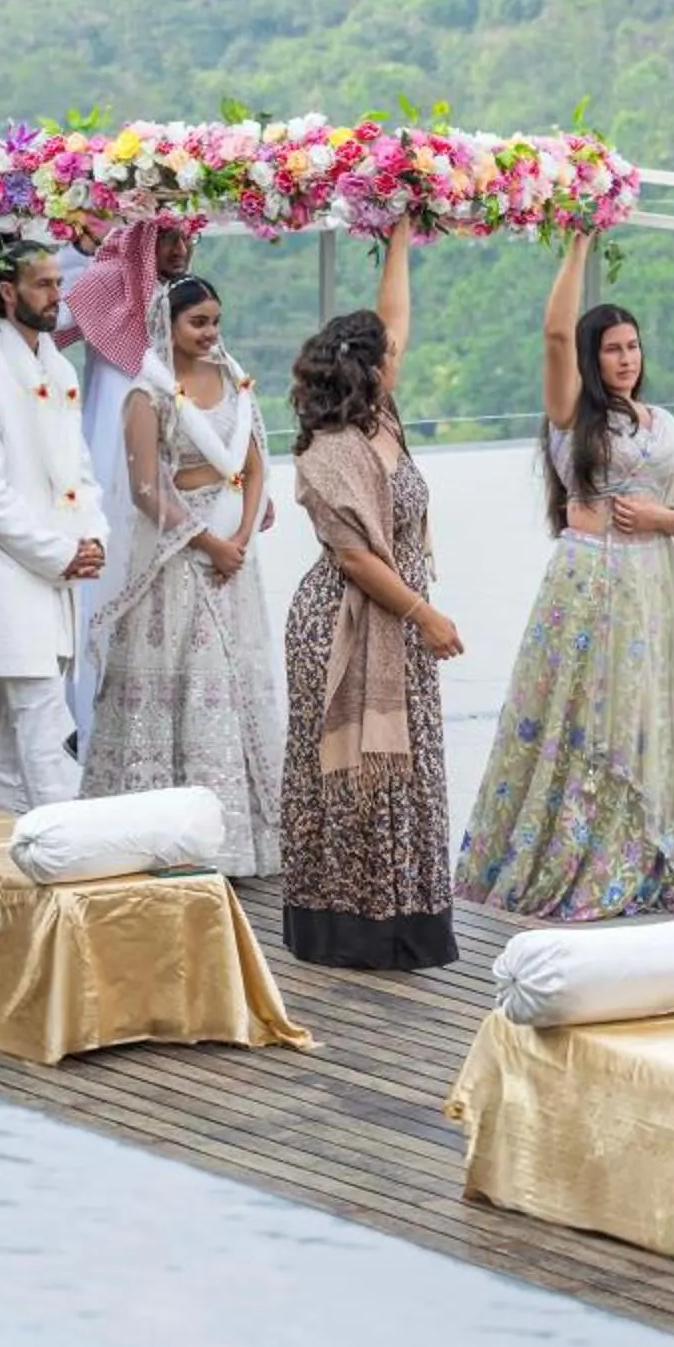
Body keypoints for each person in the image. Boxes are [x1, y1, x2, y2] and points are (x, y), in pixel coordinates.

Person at [460, 231, 674, 919]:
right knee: (585, 714)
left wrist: (663, 519)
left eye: (633, 346)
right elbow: (555, 334)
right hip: (590, 581)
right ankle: (581, 852)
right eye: (613, 349)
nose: (626, 359)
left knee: (649, 710)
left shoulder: (661, 424)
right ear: (593, 361)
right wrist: (577, 249)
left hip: (652, 584)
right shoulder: (573, 417)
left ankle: (656, 851)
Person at [281, 235, 465, 969]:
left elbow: (397, 319)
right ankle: (348, 926)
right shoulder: (331, 452)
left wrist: (398, 240)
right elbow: (356, 558)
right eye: (389, 355)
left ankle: (405, 917)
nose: (400, 358)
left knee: (408, 768)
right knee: (349, 772)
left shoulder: (384, 421)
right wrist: (423, 614)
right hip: (347, 626)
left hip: (398, 622)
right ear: (369, 370)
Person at [79, 275, 285, 875]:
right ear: (166, 327)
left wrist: (242, 536)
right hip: (177, 559)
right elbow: (147, 491)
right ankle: (166, 836)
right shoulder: (148, 394)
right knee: (188, 682)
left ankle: (239, 839)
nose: (211, 333)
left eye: (216, 321)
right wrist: (207, 543)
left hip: (233, 556)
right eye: (198, 323)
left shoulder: (233, 379)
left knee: (232, 679)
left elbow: (253, 462)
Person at [0, 235, 108, 813]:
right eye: (44, 284)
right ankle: (76, 850)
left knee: (12, 732)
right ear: (8, 292)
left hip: (53, 569)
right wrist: (57, 553)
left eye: (60, 282)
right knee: (43, 719)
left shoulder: (57, 366)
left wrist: (92, 537)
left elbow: (77, 468)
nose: (58, 294)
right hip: (6, 573)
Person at [58, 217, 196, 742]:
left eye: (186, 239)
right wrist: (79, 249)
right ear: (142, 241)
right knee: (106, 582)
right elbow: (54, 322)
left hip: (174, 457)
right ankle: (93, 724)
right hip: (110, 458)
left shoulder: (185, 299)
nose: (180, 250)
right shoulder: (107, 280)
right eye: (166, 239)